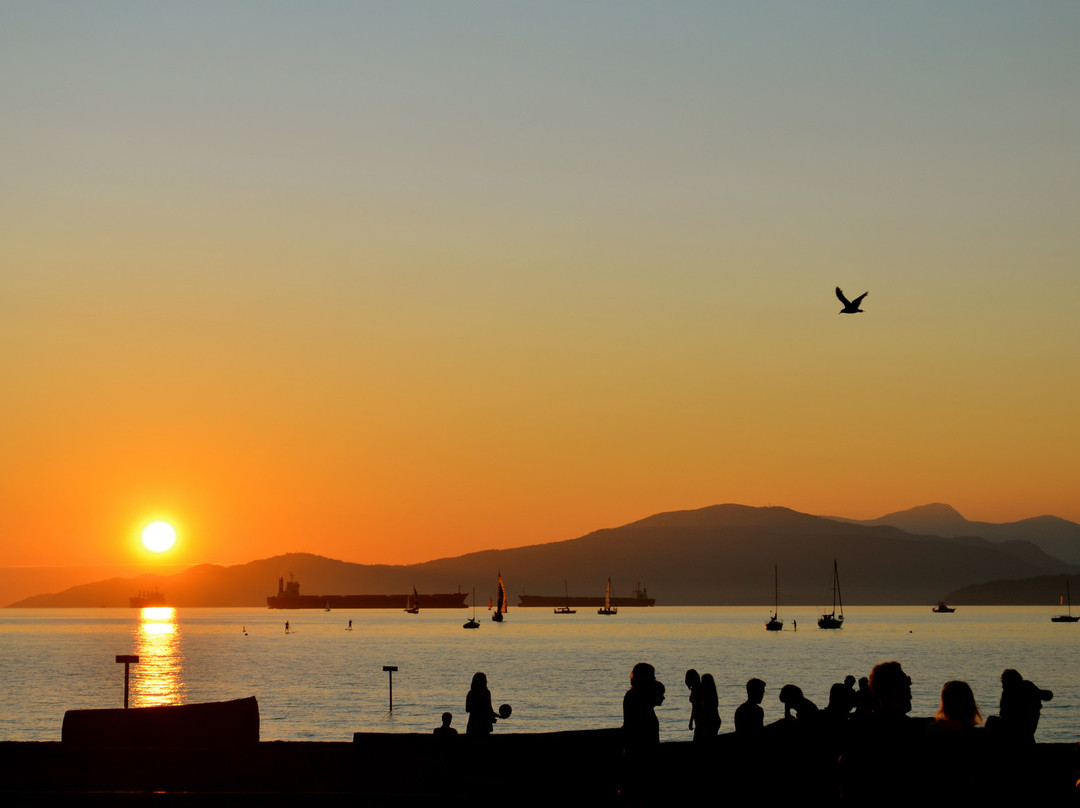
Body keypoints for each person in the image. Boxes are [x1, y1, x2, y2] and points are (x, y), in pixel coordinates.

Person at [694, 673, 721, 742]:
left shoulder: (707, 697)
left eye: (702, 681)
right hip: (714, 721)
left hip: (710, 722)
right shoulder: (712, 695)